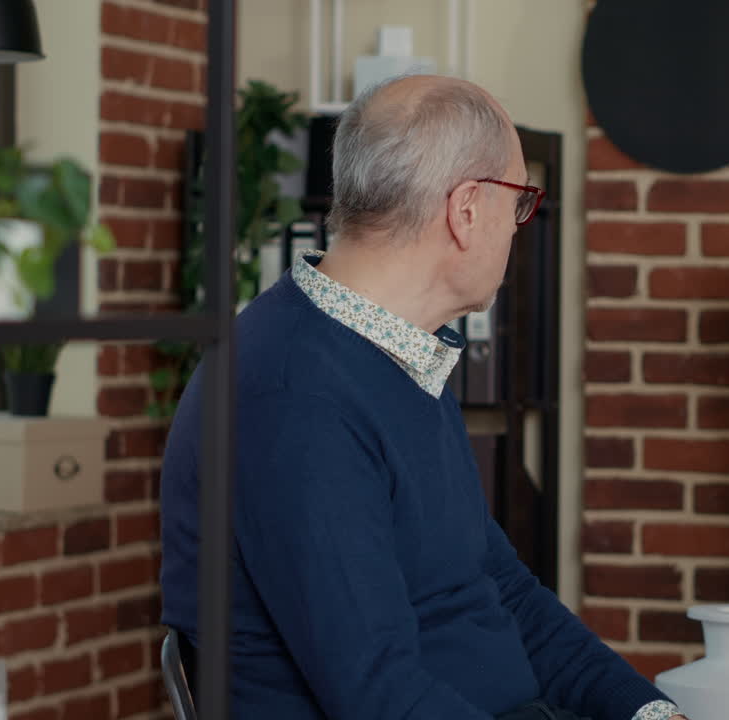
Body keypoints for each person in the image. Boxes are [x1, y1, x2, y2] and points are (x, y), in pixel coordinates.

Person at [159, 74, 686, 720]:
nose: (518, 227)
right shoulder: (292, 396)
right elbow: (379, 695)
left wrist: (651, 713)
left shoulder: (398, 353)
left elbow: (502, 591)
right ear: (466, 210)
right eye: (518, 203)